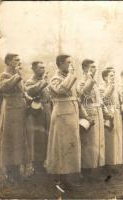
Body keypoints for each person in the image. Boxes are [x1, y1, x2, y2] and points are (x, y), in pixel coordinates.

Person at [45, 55, 90, 190]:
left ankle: (67, 177)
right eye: (68, 62)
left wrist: (85, 116)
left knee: (70, 147)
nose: (71, 65)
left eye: (71, 62)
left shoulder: (69, 78)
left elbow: (77, 99)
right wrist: (71, 76)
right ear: (60, 64)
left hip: (71, 116)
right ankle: (59, 178)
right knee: (60, 147)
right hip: (61, 117)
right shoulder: (55, 78)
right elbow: (60, 91)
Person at [0, 53, 29, 183]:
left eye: (19, 59)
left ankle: (17, 170)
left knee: (18, 141)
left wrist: (28, 99)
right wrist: (17, 76)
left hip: (20, 111)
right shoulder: (4, 75)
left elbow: (22, 91)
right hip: (10, 111)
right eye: (16, 60)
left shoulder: (17, 75)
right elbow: (3, 87)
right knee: (10, 141)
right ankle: (10, 172)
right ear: (9, 62)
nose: (18, 62)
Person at [76, 59, 105, 181]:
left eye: (95, 67)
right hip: (88, 114)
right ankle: (87, 170)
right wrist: (89, 80)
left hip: (98, 113)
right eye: (92, 67)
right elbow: (82, 95)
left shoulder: (94, 82)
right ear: (84, 69)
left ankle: (96, 169)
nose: (95, 69)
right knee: (89, 143)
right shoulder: (82, 82)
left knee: (98, 141)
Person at [25, 61, 51, 174]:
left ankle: (42, 164)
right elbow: (31, 91)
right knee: (37, 139)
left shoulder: (44, 81)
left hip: (47, 111)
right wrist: (43, 82)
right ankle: (37, 166)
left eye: (44, 67)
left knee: (46, 137)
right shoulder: (30, 81)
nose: (43, 70)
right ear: (34, 69)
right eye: (40, 68)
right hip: (36, 113)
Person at [100, 68, 123, 171]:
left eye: (114, 75)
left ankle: (115, 162)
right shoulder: (101, 87)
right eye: (111, 76)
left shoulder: (115, 87)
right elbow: (103, 99)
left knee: (116, 138)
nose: (113, 77)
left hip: (116, 113)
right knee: (109, 139)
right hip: (108, 114)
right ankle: (108, 164)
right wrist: (110, 86)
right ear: (105, 77)